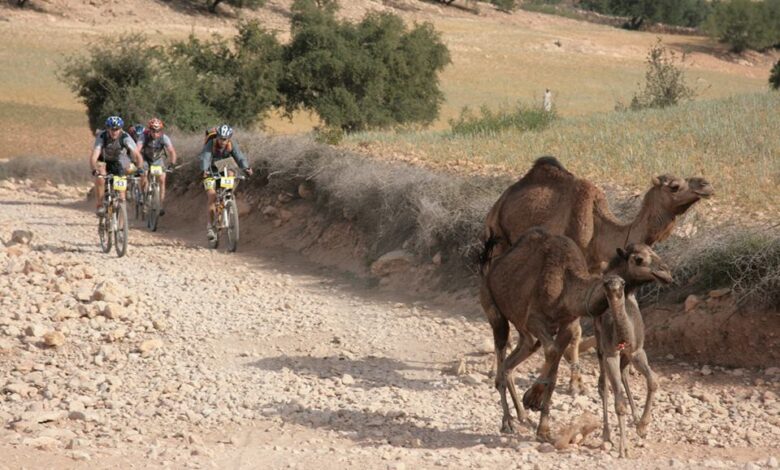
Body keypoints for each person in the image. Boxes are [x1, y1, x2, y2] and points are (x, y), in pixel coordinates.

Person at [199, 124, 253, 242]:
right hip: (210, 170)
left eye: (225, 139)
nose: (222, 141)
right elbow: (205, 158)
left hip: (223, 167)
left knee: (231, 172)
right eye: (220, 138)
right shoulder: (211, 144)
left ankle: (227, 197)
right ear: (217, 137)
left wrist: (246, 168)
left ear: (229, 138)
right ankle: (210, 227)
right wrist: (205, 170)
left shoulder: (231, 145)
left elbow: (239, 157)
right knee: (212, 196)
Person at [89, 116, 144, 216]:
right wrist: (94, 169)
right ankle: (100, 204)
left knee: (122, 197)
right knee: (101, 176)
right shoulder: (102, 136)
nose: (114, 132)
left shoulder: (125, 137)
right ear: (108, 129)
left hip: (119, 160)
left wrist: (139, 168)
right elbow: (94, 155)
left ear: (121, 129)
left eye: (117, 129)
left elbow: (137, 154)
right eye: (112, 129)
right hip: (104, 159)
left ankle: (122, 227)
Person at [137, 117, 178, 216]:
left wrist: (172, 164)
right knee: (144, 174)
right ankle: (143, 195)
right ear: (149, 130)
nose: (155, 133)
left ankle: (161, 205)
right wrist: (138, 165)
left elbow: (172, 151)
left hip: (157, 159)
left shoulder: (164, 137)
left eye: (158, 131)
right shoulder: (143, 136)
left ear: (161, 130)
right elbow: (137, 150)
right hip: (145, 158)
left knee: (162, 179)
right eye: (153, 131)